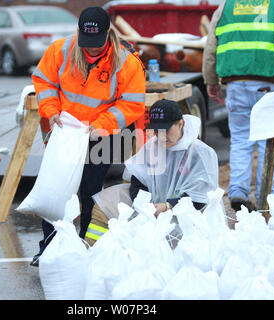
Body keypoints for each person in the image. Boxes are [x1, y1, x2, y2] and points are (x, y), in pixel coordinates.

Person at [29, 6, 146, 266]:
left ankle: (84, 246)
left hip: (99, 135)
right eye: (87, 42)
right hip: (66, 133)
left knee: (89, 191)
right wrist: (51, 111)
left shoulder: (126, 61)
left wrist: (101, 126)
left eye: (97, 43)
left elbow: (132, 104)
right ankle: (48, 248)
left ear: (108, 34)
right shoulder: (61, 50)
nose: (91, 49)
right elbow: (44, 80)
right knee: (56, 191)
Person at [203, 0, 274, 212]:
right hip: (269, 83)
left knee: (240, 139)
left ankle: (238, 191)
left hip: (236, 84)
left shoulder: (227, 6)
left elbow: (211, 45)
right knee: (269, 140)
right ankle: (266, 195)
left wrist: (210, 80)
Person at [85, 99, 219, 245]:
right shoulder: (153, 146)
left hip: (184, 215)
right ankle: (94, 252)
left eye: (166, 130)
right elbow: (138, 179)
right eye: (156, 131)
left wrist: (168, 206)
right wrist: (144, 204)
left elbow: (200, 198)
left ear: (181, 124)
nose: (161, 136)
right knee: (103, 206)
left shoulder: (200, 152)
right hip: (153, 207)